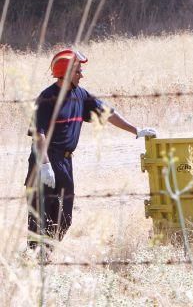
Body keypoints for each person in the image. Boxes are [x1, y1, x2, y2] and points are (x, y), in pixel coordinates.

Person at [25, 49, 157, 254]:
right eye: (78, 71)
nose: (81, 75)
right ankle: (36, 259)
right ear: (67, 73)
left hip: (65, 163)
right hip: (45, 161)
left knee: (65, 217)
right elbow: (38, 135)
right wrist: (44, 166)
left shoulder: (81, 95)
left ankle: (47, 252)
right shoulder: (46, 98)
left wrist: (136, 130)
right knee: (41, 216)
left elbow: (108, 114)